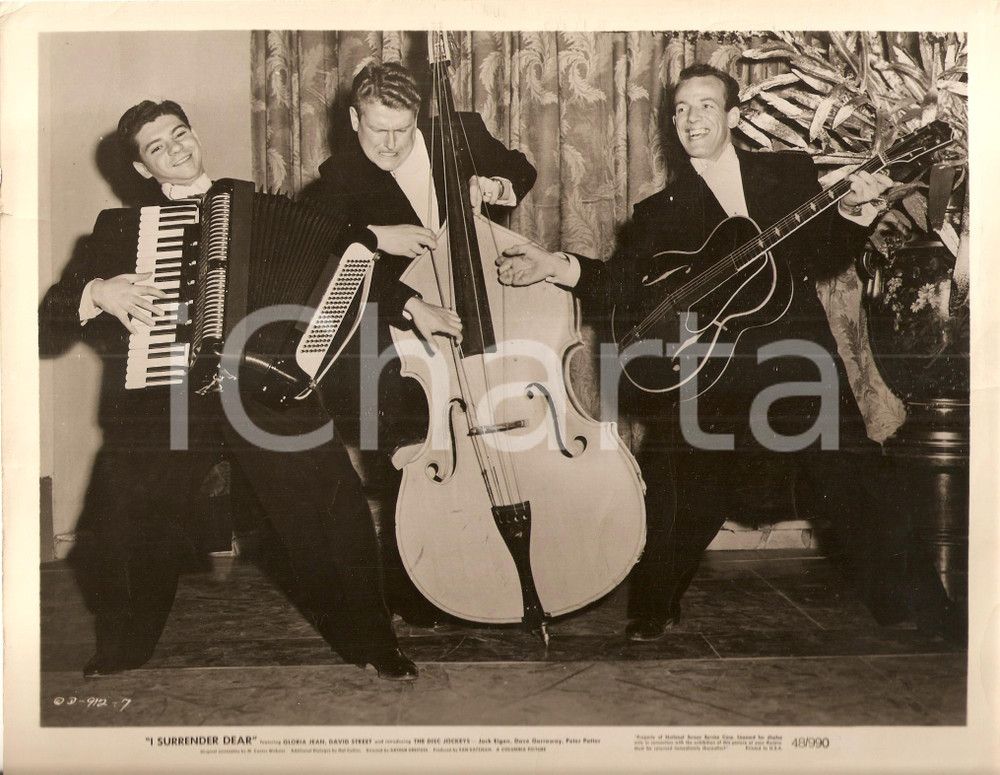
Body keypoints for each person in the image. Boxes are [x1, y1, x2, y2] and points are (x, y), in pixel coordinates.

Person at [497, 63, 911, 641]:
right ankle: (655, 601)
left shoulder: (786, 174)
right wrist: (554, 265)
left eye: (706, 107)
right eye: (682, 109)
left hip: (796, 358)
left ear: (733, 117)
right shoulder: (657, 211)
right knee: (680, 479)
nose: (692, 119)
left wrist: (854, 213)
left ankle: (914, 604)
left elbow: (822, 251)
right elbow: (624, 286)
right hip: (713, 366)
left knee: (853, 471)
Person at [39, 99, 418, 681]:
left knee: (332, 509)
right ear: (143, 169)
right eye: (156, 148)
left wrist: (385, 260)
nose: (175, 151)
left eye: (179, 134)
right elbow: (49, 319)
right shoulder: (119, 231)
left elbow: (343, 258)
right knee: (127, 514)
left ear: (194, 134)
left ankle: (372, 640)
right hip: (168, 389)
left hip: (268, 385)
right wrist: (97, 291)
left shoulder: (258, 204)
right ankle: (125, 645)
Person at [307, 61, 537, 626]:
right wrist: (409, 299)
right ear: (355, 118)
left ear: (419, 120)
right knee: (414, 457)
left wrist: (497, 185)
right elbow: (335, 260)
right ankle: (420, 584)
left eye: (402, 131)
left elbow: (521, 169)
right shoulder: (338, 175)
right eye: (377, 129)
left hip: (485, 316)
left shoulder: (459, 131)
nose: (389, 144)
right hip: (403, 337)